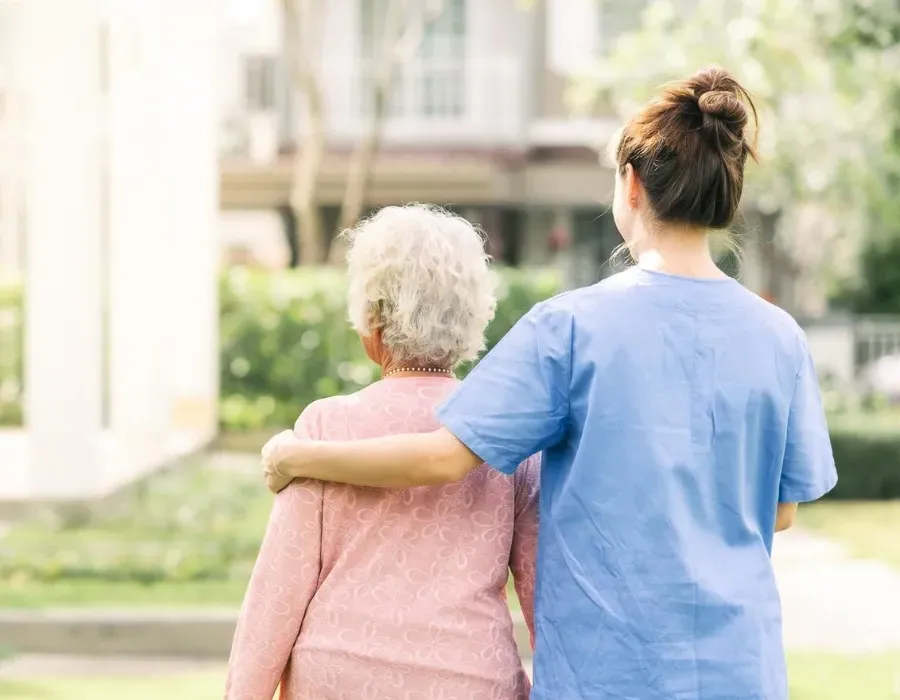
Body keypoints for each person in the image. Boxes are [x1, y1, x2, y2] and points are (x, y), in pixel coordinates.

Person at [260, 66, 837, 700]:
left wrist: (299, 454)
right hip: (741, 673)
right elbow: (781, 512)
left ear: (631, 182)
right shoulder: (780, 337)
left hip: (608, 675)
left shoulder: (570, 327)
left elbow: (441, 457)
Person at [225, 204, 538, 700]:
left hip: (338, 677)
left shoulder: (326, 426)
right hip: (468, 679)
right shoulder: (510, 437)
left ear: (372, 318)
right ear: (473, 316)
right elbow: (543, 594)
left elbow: (276, 595)